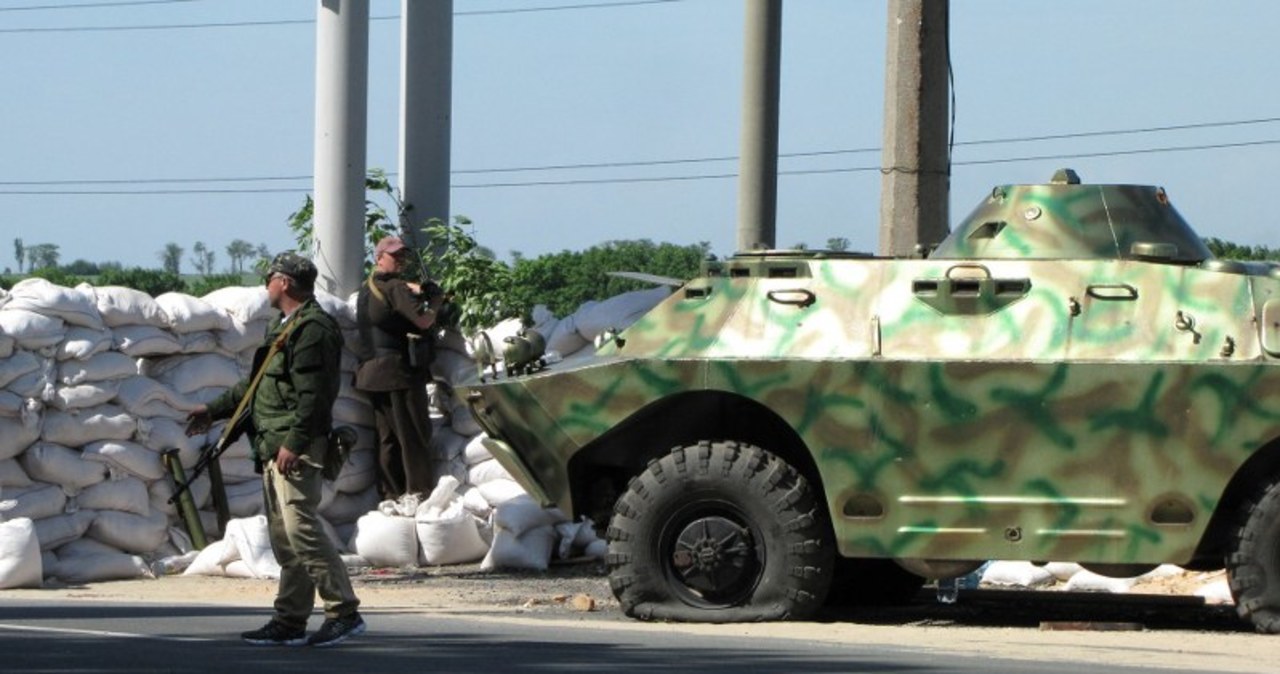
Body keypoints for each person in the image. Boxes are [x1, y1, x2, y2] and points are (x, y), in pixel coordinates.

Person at [185, 252, 364, 648]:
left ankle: (344, 611)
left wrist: (295, 443)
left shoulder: (313, 329)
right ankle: (289, 619)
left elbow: (315, 397)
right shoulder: (285, 326)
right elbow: (255, 387)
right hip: (273, 445)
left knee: (301, 528)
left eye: (269, 278)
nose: (265, 285)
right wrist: (212, 412)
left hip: (294, 447)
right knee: (285, 539)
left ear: (283, 282)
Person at [354, 235, 442, 500]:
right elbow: (424, 321)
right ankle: (419, 493)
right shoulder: (395, 288)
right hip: (398, 373)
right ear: (379, 257)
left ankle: (390, 494)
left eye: (403, 256)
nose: (401, 261)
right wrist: (435, 300)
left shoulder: (366, 289)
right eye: (395, 256)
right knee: (412, 435)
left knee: (387, 438)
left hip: (372, 373)